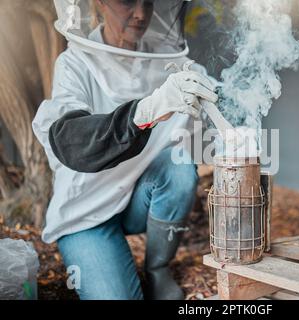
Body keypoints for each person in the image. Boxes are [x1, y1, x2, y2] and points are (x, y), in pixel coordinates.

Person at [32, 0, 217, 300]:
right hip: (85, 211)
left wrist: (217, 93)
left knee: (179, 167)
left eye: (148, 2)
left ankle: (158, 267)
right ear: (98, 3)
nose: (141, 14)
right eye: (127, 1)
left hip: (137, 199)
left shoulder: (165, 58)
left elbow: (206, 88)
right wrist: (145, 111)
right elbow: (72, 139)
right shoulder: (75, 64)